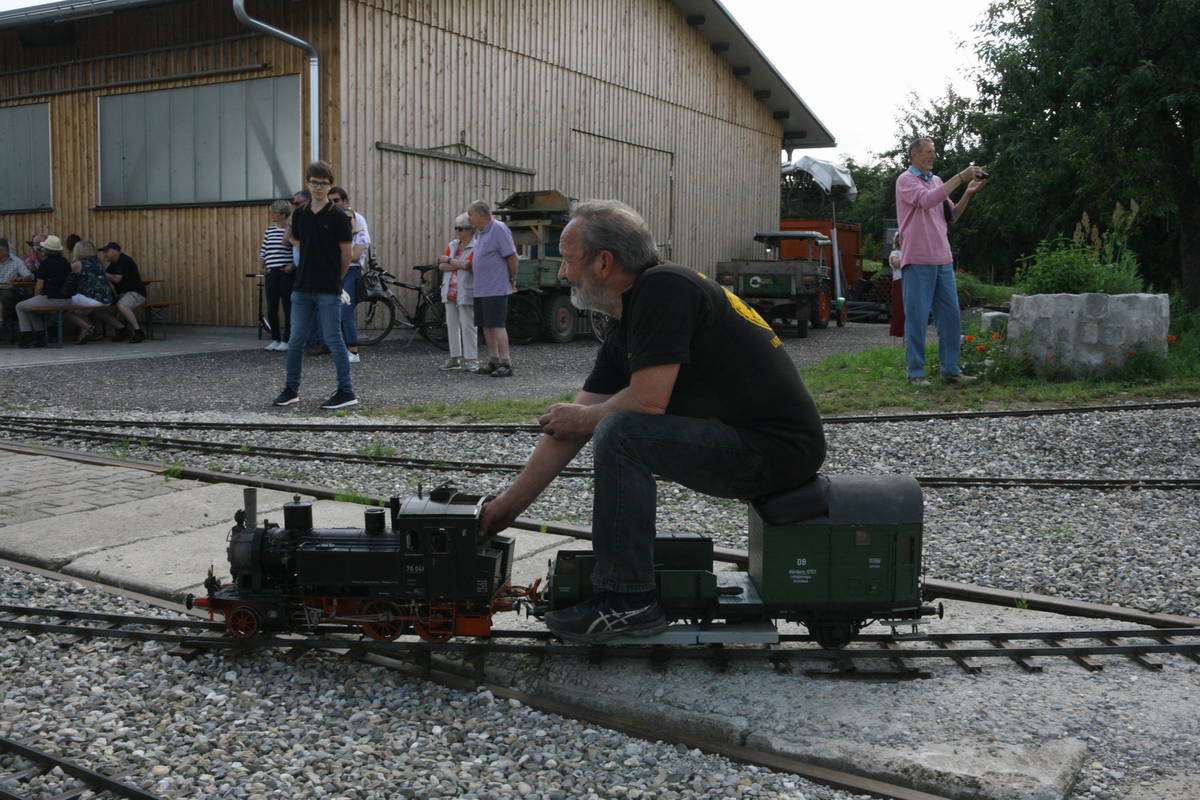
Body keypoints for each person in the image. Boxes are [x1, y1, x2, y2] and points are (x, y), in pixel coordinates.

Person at [478, 200, 827, 643]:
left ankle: (628, 602)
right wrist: (503, 510)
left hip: (776, 451)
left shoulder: (665, 289)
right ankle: (625, 596)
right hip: (754, 443)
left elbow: (645, 403)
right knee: (611, 424)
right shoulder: (631, 317)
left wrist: (585, 417)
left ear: (604, 262)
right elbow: (569, 430)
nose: (563, 274)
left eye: (567, 259)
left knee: (621, 432)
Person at [894, 137, 987, 386]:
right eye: (928, 152)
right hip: (917, 259)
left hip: (943, 259)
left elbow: (951, 215)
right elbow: (926, 201)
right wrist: (961, 177)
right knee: (917, 319)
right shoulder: (905, 180)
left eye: (934, 151)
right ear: (914, 154)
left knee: (950, 318)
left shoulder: (936, 181)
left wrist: (968, 193)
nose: (933, 156)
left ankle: (951, 370)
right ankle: (916, 373)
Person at [272, 160, 357, 410]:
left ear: (330, 185)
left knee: (333, 338)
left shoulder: (339, 217)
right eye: (314, 182)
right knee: (296, 339)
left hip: (328, 288)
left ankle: (346, 391)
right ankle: (291, 389)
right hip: (302, 286)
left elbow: (346, 254)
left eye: (323, 183)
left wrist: (337, 280)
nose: (318, 187)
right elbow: (299, 243)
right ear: (308, 184)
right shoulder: (300, 214)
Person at [465, 200, 518, 377]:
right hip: (482, 288)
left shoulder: (498, 229)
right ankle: (493, 360)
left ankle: (506, 362)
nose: (469, 218)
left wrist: (512, 279)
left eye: (471, 214)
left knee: (497, 325)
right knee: (486, 325)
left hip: (496, 287)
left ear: (481, 214)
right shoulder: (481, 233)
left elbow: (511, 256)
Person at [328, 186, 369, 363]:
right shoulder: (330, 220)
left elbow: (356, 254)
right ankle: (340, 348)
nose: (333, 204)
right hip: (334, 271)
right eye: (330, 201)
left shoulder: (358, 221)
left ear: (345, 201)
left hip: (351, 271)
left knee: (345, 310)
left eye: (336, 200)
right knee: (332, 311)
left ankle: (353, 351)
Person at [435, 212, 478, 371]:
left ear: (470, 229)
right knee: (452, 325)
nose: (457, 231)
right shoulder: (453, 244)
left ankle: (472, 359)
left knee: (469, 326)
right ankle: (454, 358)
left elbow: (470, 266)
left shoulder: (476, 246)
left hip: (466, 290)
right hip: (449, 290)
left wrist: (450, 261)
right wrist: (459, 264)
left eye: (461, 228)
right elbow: (441, 265)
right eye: (456, 228)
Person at [15, 235, 72, 348]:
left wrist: (36, 298)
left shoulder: (45, 264)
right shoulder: (65, 262)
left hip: (50, 299)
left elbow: (39, 287)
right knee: (30, 308)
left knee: (20, 306)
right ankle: (39, 336)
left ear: (46, 249)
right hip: (67, 300)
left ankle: (26, 336)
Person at [93, 242, 147, 343]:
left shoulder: (125, 260)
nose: (104, 254)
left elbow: (117, 279)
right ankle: (122, 329)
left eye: (107, 251)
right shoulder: (112, 265)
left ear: (116, 251)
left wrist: (101, 272)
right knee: (99, 311)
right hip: (121, 295)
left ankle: (138, 332)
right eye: (103, 252)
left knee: (122, 305)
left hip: (136, 293)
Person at [64, 241, 116, 344]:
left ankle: (88, 327)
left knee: (63, 308)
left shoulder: (78, 264)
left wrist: (73, 261)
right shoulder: (98, 263)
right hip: (106, 298)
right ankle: (83, 334)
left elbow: (66, 276)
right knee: (80, 310)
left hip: (92, 298)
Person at [260, 199, 295, 351]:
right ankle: (275, 338)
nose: (272, 214)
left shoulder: (292, 231)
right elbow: (264, 250)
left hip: (286, 273)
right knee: (272, 307)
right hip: (271, 273)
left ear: (282, 214)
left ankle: (287, 340)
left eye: (274, 212)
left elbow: (297, 250)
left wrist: (292, 266)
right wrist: (262, 267)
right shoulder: (269, 231)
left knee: (288, 306)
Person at [0, 237, 33, 329]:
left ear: (6, 251)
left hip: (9, 290)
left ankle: (2, 323)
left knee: (4, 297)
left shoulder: (17, 261)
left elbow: (28, 276)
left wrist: (19, 279)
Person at [888, 232, 905, 340]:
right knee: (898, 309)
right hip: (899, 282)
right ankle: (896, 336)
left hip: (911, 282)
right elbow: (896, 264)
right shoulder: (894, 253)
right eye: (899, 238)